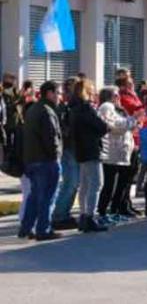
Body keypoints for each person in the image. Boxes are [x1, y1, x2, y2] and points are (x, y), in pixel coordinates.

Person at [18, 81, 63, 241]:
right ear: (49, 93)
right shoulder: (47, 111)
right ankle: (43, 229)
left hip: (32, 159)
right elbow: (51, 139)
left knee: (35, 195)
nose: (60, 96)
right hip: (46, 161)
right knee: (47, 197)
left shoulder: (34, 109)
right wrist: (56, 156)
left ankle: (26, 227)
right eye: (58, 93)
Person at [71, 78, 111, 233]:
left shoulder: (73, 108)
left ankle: (83, 215)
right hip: (91, 149)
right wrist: (105, 126)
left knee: (85, 185)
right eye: (92, 90)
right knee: (96, 184)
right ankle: (89, 216)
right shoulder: (86, 108)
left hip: (80, 149)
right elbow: (100, 126)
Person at [97, 87, 140, 221]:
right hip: (111, 153)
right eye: (116, 95)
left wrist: (133, 122)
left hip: (122, 153)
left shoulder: (118, 109)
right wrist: (133, 120)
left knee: (120, 185)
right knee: (109, 185)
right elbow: (116, 125)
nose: (118, 98)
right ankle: (103, 213)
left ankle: (115, 211)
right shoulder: (106, 107)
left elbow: (125, 125)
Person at [51, 77, 81, 230]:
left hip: (73, 148)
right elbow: (61, 129)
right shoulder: (62, 108)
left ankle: (64, 213)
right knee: (71, 182)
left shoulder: (69, 106)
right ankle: (59, 215)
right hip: (67, 149)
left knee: (74, 183)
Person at [115, 75, 145, 216]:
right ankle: (121, 205)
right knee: (126, 174)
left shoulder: (133, 95)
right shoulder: (123, 97)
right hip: (129, 138)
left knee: (132, 173)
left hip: (136, 137)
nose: (132, 86)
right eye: (129, 83)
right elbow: (136, 110)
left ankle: (127, 203)